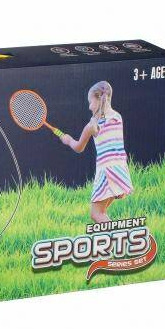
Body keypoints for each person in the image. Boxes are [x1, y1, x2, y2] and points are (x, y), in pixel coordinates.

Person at [60, 81, 133, 223]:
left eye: (90, 102)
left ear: (99, 98)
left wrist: (68, 140)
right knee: (101, 212)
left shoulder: (92, 125)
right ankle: (119, 236)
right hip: (120, 170)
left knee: (96, 214)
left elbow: (79, 147)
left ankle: (121, 237)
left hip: (106, 172)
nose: (89, 107)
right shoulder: (118, 117)